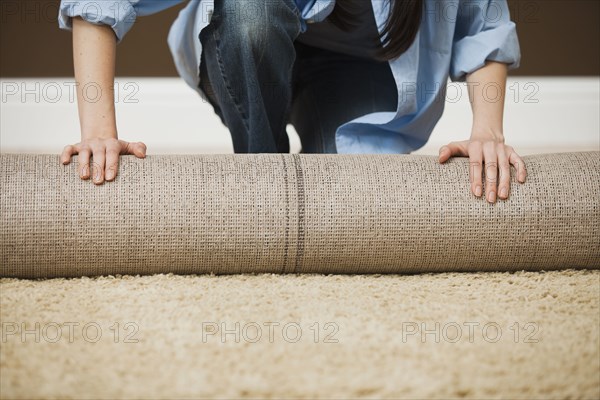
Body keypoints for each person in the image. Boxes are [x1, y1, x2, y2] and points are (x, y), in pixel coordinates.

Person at [58, 0, 527, 203]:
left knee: (350, 206)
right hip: (249, 37)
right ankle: (261, 175)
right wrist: (99, 133)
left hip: (359, 68)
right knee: (251, 16)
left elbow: (481, 23)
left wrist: (487, 132)